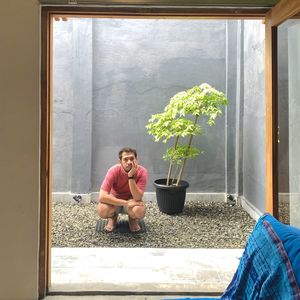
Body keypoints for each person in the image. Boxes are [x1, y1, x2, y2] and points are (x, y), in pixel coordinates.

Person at [96, 147, 148, 233]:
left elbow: (138, 197)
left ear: (136, 159)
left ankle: (132, 219)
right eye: (125, 159)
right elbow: (102, 197)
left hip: (132, 199)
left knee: (139, 211)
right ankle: (113, 218)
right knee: (102, 210)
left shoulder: (142, 171)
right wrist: (126, 203)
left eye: (132, 159)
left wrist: (130, 176)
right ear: (120, 162)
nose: (129, 162)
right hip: (115, 201)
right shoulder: (113, 170)